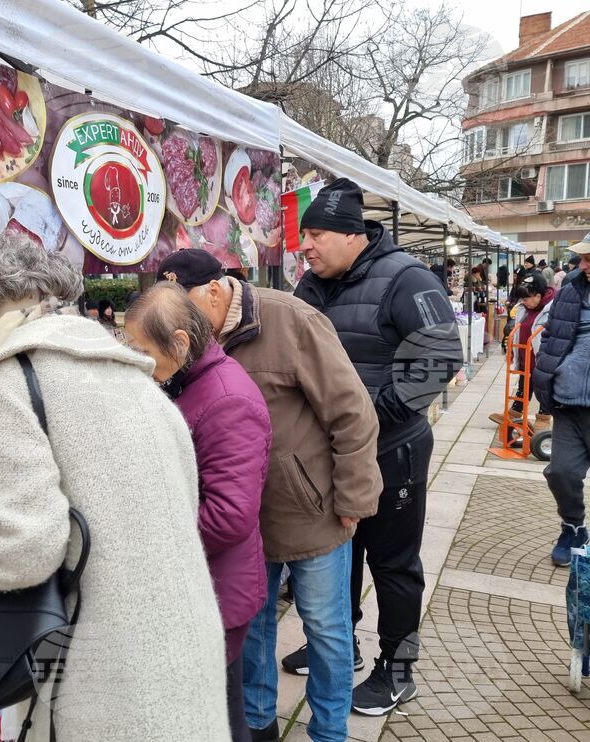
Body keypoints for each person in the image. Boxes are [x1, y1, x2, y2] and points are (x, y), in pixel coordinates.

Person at [0, 233, 230, 740]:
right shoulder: (130, 371)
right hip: (183, 657)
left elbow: (20, 547)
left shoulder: (15, 375)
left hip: (108, 684)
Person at [154, 248, 382, 742]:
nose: (177, 321)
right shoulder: (186, 339)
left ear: (214, 290)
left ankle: (329, 731)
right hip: (239, 518)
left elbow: (353, 412)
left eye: (183, 306)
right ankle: (258, 725)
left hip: (310, 511)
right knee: (252, 626)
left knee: (326, 628)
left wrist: (353, 500)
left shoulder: (291, 319)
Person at [292, 177, 462, 716]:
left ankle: (398, 668)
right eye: (304, 235)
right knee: (338, 554)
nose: (305, 246)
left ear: (351, 234)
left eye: (315, 235)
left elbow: (441, 358)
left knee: (393, 564)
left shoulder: (407, 278)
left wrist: (367, 419)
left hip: (393, 452)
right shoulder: (310, 285)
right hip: (329, 456)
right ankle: (339, 643)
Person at [125, 282, 272, 742]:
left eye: (143, 351)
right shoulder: (190, 380)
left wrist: (151, 536)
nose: (140, 363)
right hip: (204, 582)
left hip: (218, 590)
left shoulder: (227, 399)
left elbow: (230, 515)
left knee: (220, 714)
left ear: (180, 342)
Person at [533, 235, 590, 567]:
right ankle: (573, 527)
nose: (582, 265)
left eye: (589, 259)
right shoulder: (570, 291)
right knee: (561, 473)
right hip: (569, 401)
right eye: (582, 258)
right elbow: (551, 336)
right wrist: (549, 374)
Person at [490, 273, 554, 433]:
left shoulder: (553, 308)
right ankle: (515, 411)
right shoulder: (524, 308)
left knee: (543, 387)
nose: (524, 302)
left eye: (526, 299)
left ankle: (544, 416)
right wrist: (512, 351)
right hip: (526, 353)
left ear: (538, 296)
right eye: (522, 299)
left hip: (543, 357)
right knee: (523, 383)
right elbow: (518, 329)